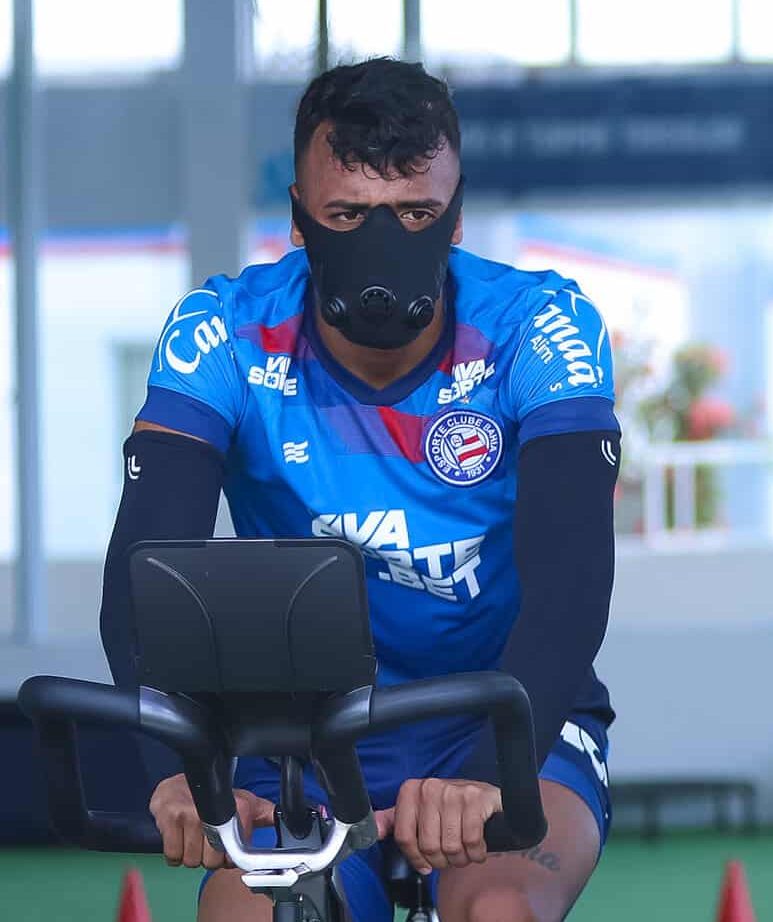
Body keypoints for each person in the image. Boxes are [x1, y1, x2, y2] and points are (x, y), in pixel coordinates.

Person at [99, 58, 619, 922]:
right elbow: (141, 572)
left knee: (500, 911)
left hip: (501, 711)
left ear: (454, 220)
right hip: (291, 738)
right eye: (347, 214)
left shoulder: (539, 325)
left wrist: (491, 773)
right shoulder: (221, 329)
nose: (384, 244)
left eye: (416, 213)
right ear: (300, 221)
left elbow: (571, 585)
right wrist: (179, 771)